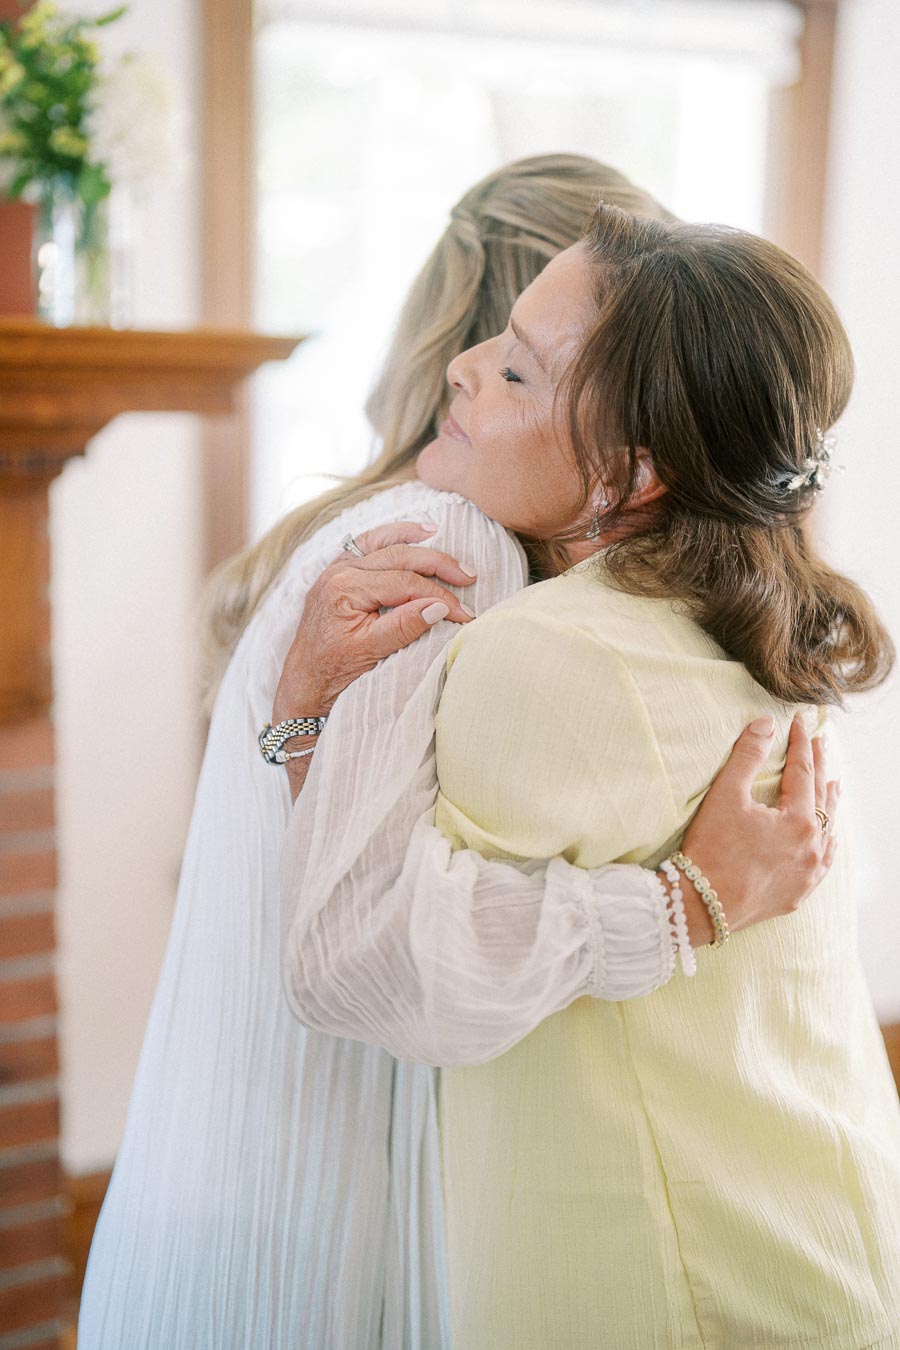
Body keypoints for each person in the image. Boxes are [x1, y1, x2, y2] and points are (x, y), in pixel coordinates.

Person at [78, 159, 837, 1350]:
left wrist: (297, 737)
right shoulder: (453, 543)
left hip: (236, 1177)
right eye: (510, 348)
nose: (471, 370)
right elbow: (363, 940)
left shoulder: (400, 534)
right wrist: (686, 904)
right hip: (341, 1216)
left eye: (521, 361)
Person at [275, 206, 900, 1348]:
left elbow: (360, 964)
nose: (463, 368)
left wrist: (305, 714)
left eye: (517, 368)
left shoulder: (553, 652)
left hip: (676, 1287)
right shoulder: (758, 615)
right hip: (825, 1232)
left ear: (631, 473)